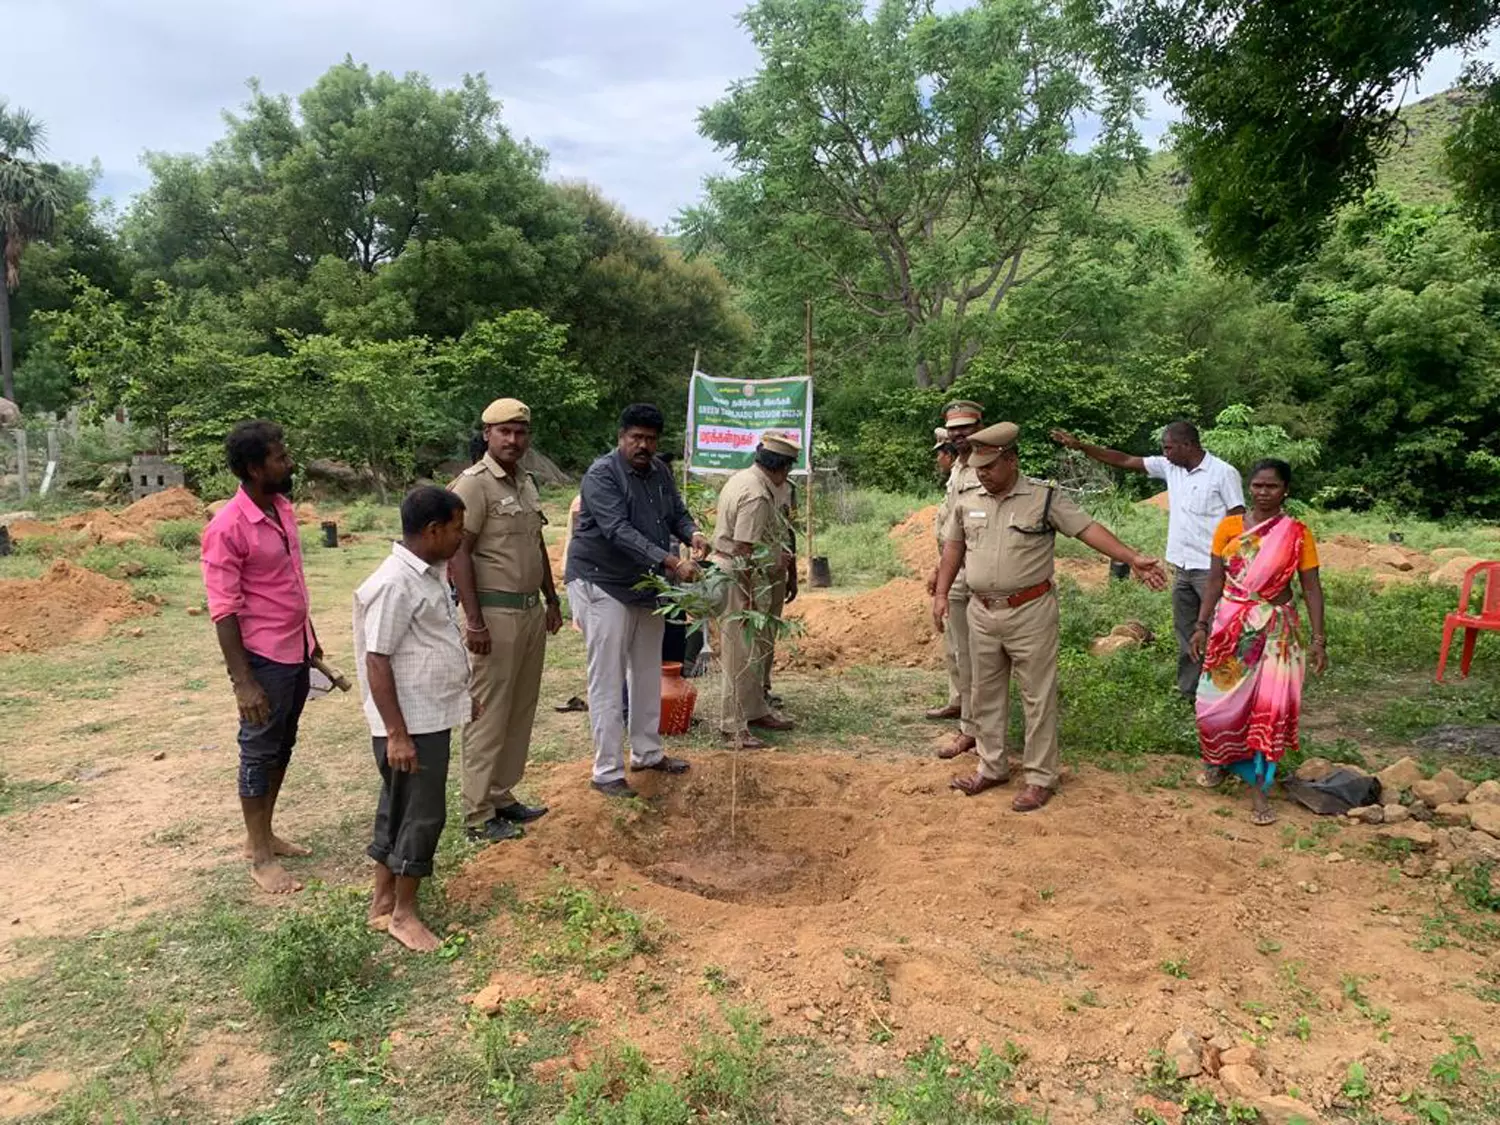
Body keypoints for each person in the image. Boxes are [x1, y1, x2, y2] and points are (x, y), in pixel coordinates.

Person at [933, 422, 1167, 812]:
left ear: (1011, 460)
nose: (982, 475)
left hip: (1030, 611)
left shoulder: (1044, 498)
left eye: (989, 467)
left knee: (1036, 696)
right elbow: (954, 548)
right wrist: (941, 593)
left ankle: (1040, 777)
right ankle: (991, 766)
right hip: (981, 612)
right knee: (985, 693)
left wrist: (1131, 558)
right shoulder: (968, 498)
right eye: (977, 469)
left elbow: (1087, 530)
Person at [565, 403, 709, 797]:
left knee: (647, 670)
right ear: (621, 437)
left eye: (650, 439)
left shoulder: (660, 472)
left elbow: (676, 514)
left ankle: (647, 752)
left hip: (646, 585)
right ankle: (606, 770)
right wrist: (671, 562)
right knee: (607, 676)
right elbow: (617, 530)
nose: (644, 445)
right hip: (602, 582)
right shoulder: (602, 475)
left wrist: (692, 533)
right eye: (636, 438)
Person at [201, 420, 321, 894]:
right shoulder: (227, 527)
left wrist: (310, 642)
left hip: (295, 650)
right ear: (254, 468)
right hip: (263, 659)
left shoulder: (283, 508)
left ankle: (264, 834)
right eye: (279, 457)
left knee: (282, 745)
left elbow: (288, 582)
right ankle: (260, 854)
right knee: (258, 751)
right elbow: (224, 609)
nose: (288, 463)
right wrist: (242, 681)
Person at [354, 487, 472, 952]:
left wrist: (462, 699)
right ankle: (405, 914)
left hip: (428, 713)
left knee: (397, 807)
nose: (462, 539)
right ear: (433, 530)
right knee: (423, 815)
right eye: (458, 530)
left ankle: (383, 901)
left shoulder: (428, 574)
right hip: (410, 727)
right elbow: (377, 659)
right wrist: (398, 734)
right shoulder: (394, 583)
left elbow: (425, 647)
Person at [1049, 422, 1244, 700]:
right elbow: (1126, 460)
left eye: (1168, 447)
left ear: (1187, 445)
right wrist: (1082, 446)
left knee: (1220, 632)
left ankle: (1226, 695)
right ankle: (1189, 693)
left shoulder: (1223, 473)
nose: (1164, 453)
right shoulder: (1171, 467)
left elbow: (1238, 518)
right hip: (1183, 568)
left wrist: (1230, 563)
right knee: (1186, 631)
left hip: (1213, 570)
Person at [1189, 459, 1327, 826]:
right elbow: (1215, 581)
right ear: (1249, 488)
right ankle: (1217, 761)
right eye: (1258, 486)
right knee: (1214, 703)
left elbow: (1311, 588)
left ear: (1286, 491)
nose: (1264, 493)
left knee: (1269, 709)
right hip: (1230, 626)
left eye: (1272, 487)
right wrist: (1201, 625)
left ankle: (1260, 792)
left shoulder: (1296, 533)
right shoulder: (1229, 527)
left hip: (1277, 630)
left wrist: (1319, 640)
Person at [448, 398, 563, 841]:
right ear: (487, 435)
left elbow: (535, 545)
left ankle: (502, 794)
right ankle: (477, 812)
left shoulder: (526, 483)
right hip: (492, 615)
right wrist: (473, 621)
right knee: (488, 713)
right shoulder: (474, 486)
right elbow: (459, 551)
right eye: (504, 432)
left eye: (520, 432)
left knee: (520, 708)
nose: (514, 440)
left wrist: (551, 598)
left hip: (530, 611)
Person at [712, 433, 798, 749]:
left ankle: (755, 710)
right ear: (783, 468)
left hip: (744, 573)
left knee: (754, 648)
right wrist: (747, 598)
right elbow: (743, 549)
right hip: (738, 575)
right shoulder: (756, 495)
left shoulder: (746, 479)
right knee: (739, 653)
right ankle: (732, 726)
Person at [927, 401, 986, 758]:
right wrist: (941, 570)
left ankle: (978, 729)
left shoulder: (986, 464)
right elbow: (953, 525)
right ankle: (969, 725)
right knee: (962, 653)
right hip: (957, 570)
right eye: (954, 429)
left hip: (978, 571)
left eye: (967, 427)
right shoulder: (960, 468)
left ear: (981, 426)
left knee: (978, 658)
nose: (959, 433)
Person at [755, 433, 800, 708]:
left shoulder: (789, 488)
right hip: (756, 569)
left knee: (769, 630)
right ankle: (753, 693)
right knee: (755, 632)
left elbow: (789, 531)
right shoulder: (754, 487)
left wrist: (792, 574)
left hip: (778, 570)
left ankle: (763, 687)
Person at [926, 427, 962, 721]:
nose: (938, 460)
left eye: (939, 454)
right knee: (953, 643)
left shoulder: (965, 480)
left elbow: (958, 535)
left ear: (949, 455)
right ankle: (958, 700)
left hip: (963, 571)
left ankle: (968, 710)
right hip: (951, 567)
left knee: (962, 644)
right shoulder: (954, 480)